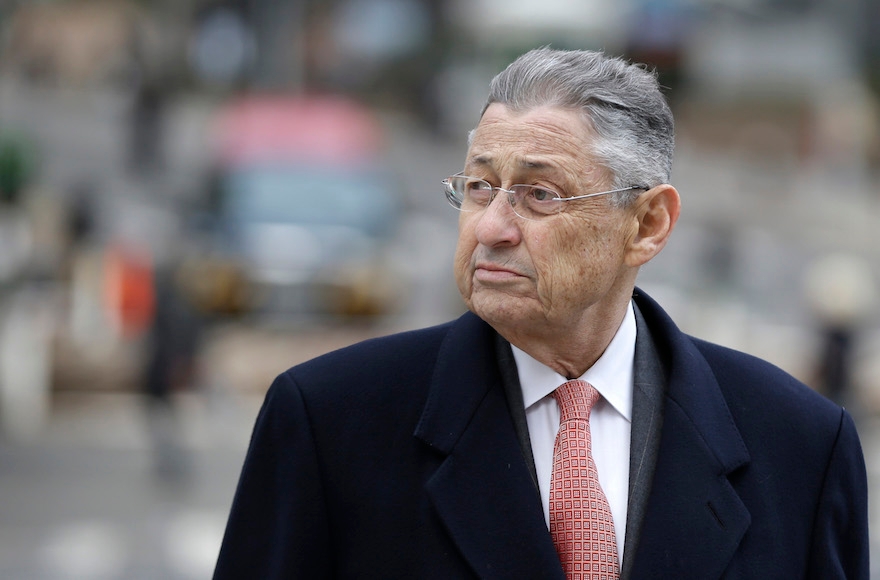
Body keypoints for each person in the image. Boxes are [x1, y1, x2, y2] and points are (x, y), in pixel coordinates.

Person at [213, 48, 869, 579]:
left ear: (647, 223)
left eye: (539, 194)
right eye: (478, 186)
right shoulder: (330, 420)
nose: (492, 227)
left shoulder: (801, 446)